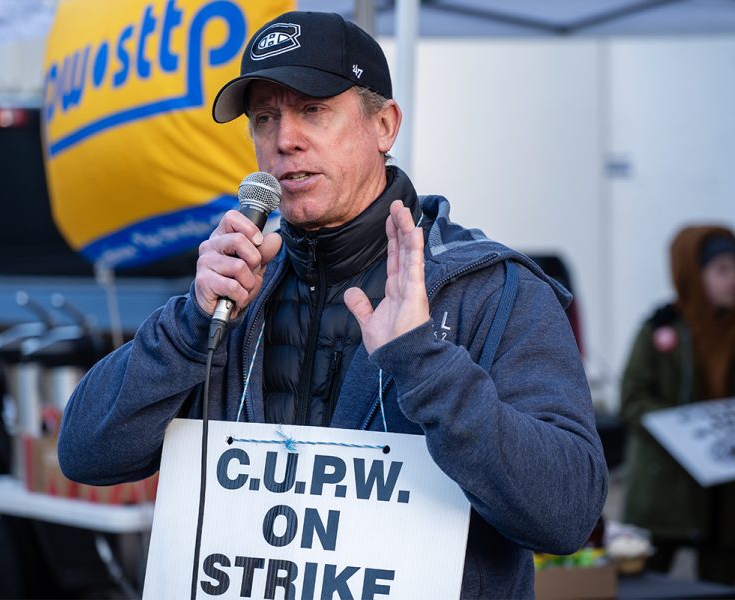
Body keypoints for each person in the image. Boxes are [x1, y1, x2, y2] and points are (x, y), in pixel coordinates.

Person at [58, 11, 608, 598]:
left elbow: (567, 512)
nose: (284, 139)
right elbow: (86, 454)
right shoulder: (235, 292)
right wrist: (189, 328)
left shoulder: (491, 289)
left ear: (385, 126)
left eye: (313, 110)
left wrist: (426, 364)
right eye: (264, 118)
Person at [620, 225, 735, 585]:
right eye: (721, 270)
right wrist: (682, 429)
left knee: (721, 581)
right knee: (648, 580)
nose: (733, 279)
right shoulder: (660, 329)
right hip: (666, 486)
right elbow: (633, 398)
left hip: (725, 493)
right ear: (691, 273)